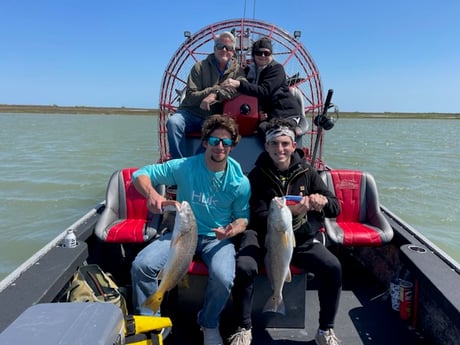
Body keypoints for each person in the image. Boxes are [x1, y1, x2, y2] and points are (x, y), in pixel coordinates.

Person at [130, 115, 250, 345]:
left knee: (224, 278)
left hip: (216, 239)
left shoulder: (240, 182)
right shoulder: (185, 166)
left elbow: (243, 218)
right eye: (214, 141)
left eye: (226, 142)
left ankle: (208, 321)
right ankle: (151, 323)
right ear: (205, 142)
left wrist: (232, 230)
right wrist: (152, 194)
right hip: (182, 233)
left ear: (233, 146)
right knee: (142, 266)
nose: (220, 147)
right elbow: (140, 174)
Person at [229, 118, 343, 345]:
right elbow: (258, 215)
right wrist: (293, 212)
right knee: (244, 267)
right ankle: (244, 327)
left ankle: (325, 330)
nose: (280, 149)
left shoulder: (308, 172)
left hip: (299, 237)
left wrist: (321, 201)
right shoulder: (257, 175)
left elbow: (335, 208)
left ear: (293, 145)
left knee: (333, 268)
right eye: (274, 144)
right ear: (267, 146)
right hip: (263, 236)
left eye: (285, 143)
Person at [166, 31, 246, 159]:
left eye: (228, 48)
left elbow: (240, 88)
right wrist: (215, 89)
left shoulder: (238, 71)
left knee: (217, 134)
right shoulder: (199, 67)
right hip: (190, 113)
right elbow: (191, 96)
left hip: (213, 117)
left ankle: (194, 163)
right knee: (173, 122)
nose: (224, 50)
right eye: (220, 46)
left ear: (233, 51)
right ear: (214, 48)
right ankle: (178, 163)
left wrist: (215, 94)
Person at [220, 37, 304, 139]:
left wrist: (239, 84)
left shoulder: (277, 69)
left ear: (271, 55)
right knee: (260, 128)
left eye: (266, 53)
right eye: (259, 53)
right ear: (253, 55)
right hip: (271, 115)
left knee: (278, 136)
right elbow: (253, 96)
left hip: (286, 114)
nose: (262, 55)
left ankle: (291, 150)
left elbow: (264, 91)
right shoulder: (249, 71)